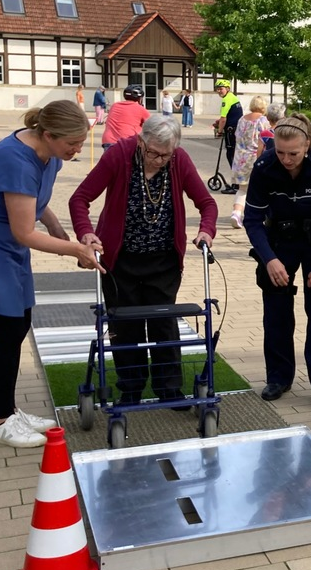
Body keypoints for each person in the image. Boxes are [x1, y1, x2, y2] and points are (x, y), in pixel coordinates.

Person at [0, 101, 103, 448]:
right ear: (48, 134)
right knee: (7, 330)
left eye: (81, 143)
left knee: (18, 323)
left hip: (3, 243)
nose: (77, 150)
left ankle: (9, 411)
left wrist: (61, 232)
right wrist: (74, 250)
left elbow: (34, 200)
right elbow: (24, 232)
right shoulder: (15, 160)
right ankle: (1, 421)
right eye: (72, 143)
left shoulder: (49, 154)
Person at [70, 117, 217, 407]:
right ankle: (131, 389)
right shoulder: (119, 155)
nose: (159, 160)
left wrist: (206, 231)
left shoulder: (179, 160)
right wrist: (86, 234)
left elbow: (207, 203)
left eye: (166, 155)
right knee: (125, 326)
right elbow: (80, 199)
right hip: (120, 260)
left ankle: (169, 389)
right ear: (141, 142)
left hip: (163, 261)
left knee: (163, 323)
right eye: (153, 153)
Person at [244, 114, 311, 408]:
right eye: (280, 152)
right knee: (276, 314)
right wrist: (269, 260)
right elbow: (252, 220)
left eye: (294, 153)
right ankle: (278, 377)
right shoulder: (264, 167)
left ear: (307, 145)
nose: (286, 159)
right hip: (279, 243)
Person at [229, 96, 273, 229]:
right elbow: (267, 138)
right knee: (261, 188)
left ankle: (236, 213)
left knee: (242, 189)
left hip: (240, 158)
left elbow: (237, 136)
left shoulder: (242, 119)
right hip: (255, 157)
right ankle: (261, 214)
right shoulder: (263, 120)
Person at [214, 80, 243, 194]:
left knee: (231, 156)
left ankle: (236, 186)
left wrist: (220, 131)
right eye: (217, 89)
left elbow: (223, 119)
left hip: (231, 132)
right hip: (237, 130)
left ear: (227, 88)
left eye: (221, 88)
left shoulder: (226, 100)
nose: (219, 91)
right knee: (235, 156)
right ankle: (238, 183)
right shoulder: (233, 97)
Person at [102, 84, 149, 151]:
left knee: (110, 158)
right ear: (140, 98)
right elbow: (152, 124)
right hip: (127, 141)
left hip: (109, 141)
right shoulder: (141, 109)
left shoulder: (114, 106)